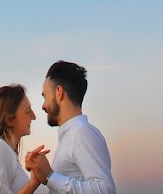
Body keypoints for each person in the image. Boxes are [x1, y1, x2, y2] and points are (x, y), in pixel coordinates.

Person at [25, 61, 116, 194]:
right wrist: (42, 174)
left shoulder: (82, 133)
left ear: (59, 92)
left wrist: (50, 176)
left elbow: (105, 190)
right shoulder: (72, 135)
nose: (43, 106)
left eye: (45, 96)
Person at [0, 84, 50, 194]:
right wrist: (33, 183)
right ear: (9, 119)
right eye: (28, 111)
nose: (34, 116)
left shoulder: (5, 151)